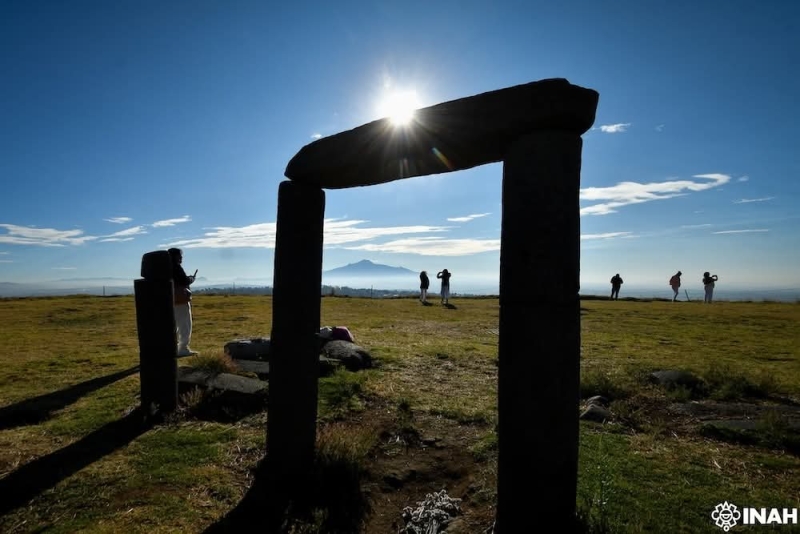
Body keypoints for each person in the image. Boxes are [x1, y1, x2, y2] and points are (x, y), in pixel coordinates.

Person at [168, 247, 197, 356]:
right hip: (180, 300)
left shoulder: (164, 268)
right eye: (180, 256)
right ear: (175, 256)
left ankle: (172, 348)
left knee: (173, 325)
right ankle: (183, 348)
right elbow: (183, 280)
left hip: (170, 300)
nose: (181, 258)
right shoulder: (176, 267)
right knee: (185, 325)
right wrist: (191, 279)